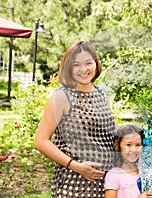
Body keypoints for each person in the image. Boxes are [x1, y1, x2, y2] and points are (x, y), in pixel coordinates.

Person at [34, 41, 116, 197]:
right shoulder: (62, 97)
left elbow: (106, 130)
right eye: (76, 65)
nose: (83, 69)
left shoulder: (101, 94)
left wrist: (137, 136)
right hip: (75, 185)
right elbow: (41, 141)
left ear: (96, 64)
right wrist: (76, 166)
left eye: (88, 63)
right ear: (68, 68)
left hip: (105, 184)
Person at [104, 124, 152, 198]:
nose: (134, 150)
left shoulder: (143, 171)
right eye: (128, 145)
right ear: (119, 146)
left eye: (138, 145)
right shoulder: (114, 175)